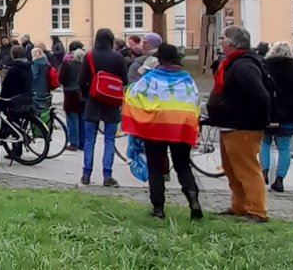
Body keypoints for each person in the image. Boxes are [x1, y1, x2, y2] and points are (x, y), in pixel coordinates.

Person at [122, 43, 203, 220]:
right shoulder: (187, 79)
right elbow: (195, 101)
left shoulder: (150, 78)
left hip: (155, 128)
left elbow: (133, 94)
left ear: (160, 60)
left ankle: (158, 208)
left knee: (156, 168)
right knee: (183, 165)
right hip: (180, 127)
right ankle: (193, 200)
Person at [205, 25, 271, 223]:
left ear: (231, 43)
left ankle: (257, 210)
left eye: (222, 40)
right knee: (232, 169)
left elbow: (260, 96)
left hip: (243, 125)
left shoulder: (243, 66)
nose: (221, 44)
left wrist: (258, 120)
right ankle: (239, 206)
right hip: (230, 124)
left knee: (247, 170)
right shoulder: (233, 63)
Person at [79, 28, 128, 187]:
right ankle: (107, 175)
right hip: (112, 101)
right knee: (109, 139)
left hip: (93, 100)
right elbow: (125, 80)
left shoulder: (90, 56)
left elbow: (81, 80)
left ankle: (86, 173)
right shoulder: (118, 57)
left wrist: (87, 94)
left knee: (89, 139)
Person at [261, 41, 293, 193]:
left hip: (269, 111)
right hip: (289, 112)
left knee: (265, 142)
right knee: (284, 147)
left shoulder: (265, 67)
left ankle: (264, 171)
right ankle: (279, 180)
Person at [58, 43, 85, 150]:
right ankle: (82, 142)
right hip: (82, 93)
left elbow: (61, 79)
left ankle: (74, 142)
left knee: (72, 118)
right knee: (82, 118)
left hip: (70, 93)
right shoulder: (84, 66)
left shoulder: (67, 64)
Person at [30, 46, 52, 118]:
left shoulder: (36, 63)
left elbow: (35, 75)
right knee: (46, 101)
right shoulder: (46, 61)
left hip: (39, 85)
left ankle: (40, 118)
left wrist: (30, 84)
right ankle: (47, 117)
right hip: (47, 84)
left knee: (39, 102)